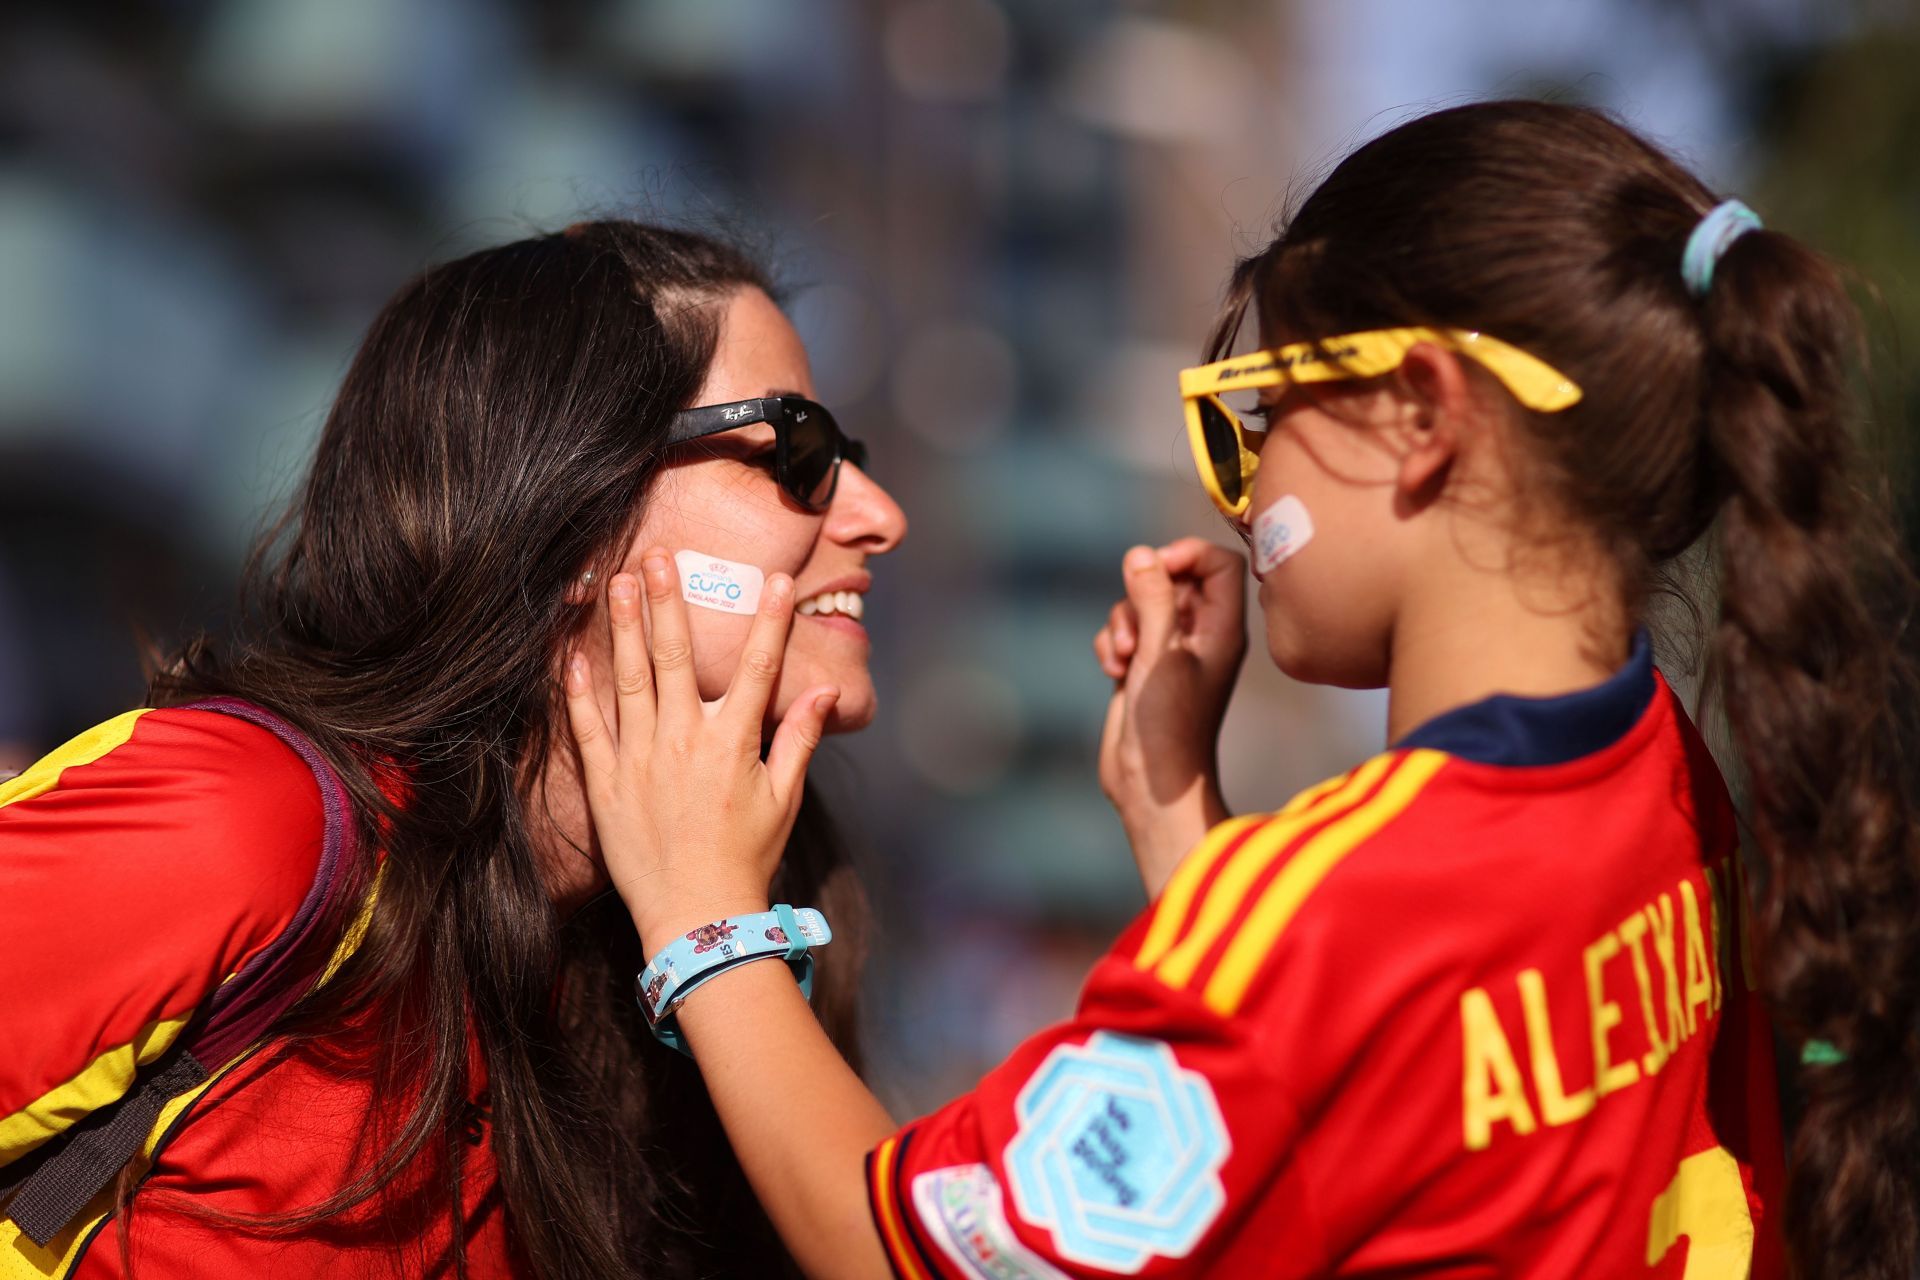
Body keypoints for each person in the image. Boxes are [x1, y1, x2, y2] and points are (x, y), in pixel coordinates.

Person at [562, 101, 1920, 1278]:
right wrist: (1181, 823)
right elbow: (1358, 1091)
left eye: (1257, 418)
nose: (1246, 488)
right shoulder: (1658, 773)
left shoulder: (1328, 918)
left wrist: (703, 917)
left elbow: (902, 1245)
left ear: (1426, 419)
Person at [0, 220, 907, 1278]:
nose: (879, 515)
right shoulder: (248, 822)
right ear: (576, 507)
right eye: (798, 450)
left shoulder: (677, 962)